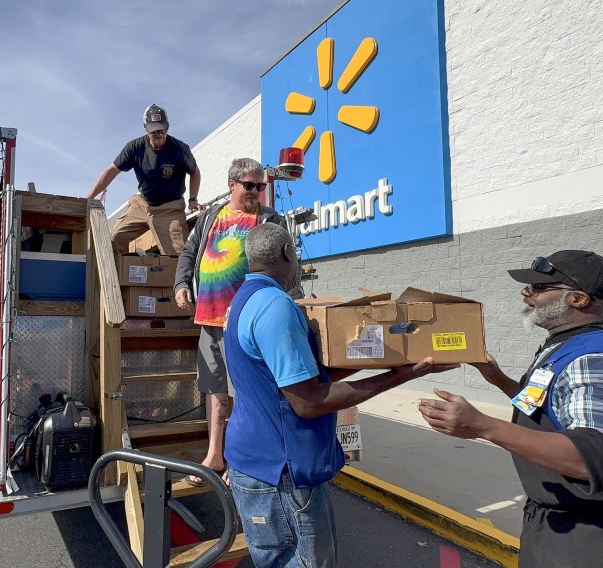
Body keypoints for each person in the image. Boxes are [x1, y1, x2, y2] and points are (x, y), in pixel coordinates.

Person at [223, 222, 456, 567]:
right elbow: (308, 402)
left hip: (256, 462)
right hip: (282, 473)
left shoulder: (242, 301)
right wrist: (401, 376)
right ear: (287, 252)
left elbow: (298, 380)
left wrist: (383, 362)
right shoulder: (275, 306)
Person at [417, 250, 603, 568]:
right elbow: (545, 411)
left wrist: (483, 426)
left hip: (581, 537)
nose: (526, 293)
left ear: (578, 299)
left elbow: (590, 456)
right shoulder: (565, 344)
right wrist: (498, 379)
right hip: (553, 522)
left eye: (538, 287)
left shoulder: (590, 358)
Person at [173, 158, 289, 485]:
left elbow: (286, 264)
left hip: (245, 322)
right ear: (231, 184)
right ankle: (214, 455)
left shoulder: (270, 220)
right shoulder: (211, 216)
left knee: (246, 391)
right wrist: (181, 284)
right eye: (249, 185)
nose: (255, 192)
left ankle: (239, 459)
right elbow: (188, 253)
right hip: (209, 317)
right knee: (215, 388)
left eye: (260, 186)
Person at [86, 104, 202, 256]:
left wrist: (193, 200)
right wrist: (89, 198)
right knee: (115, 238)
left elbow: (195, 172)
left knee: (178, 256)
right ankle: (120, 270)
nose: (159, 135)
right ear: (145, 128)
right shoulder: (135, 148)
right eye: (154, 131)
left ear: (167, 127)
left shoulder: (179, 149)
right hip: (142, 204)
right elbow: (111, 171)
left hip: (169, 208)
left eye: (162, 130)